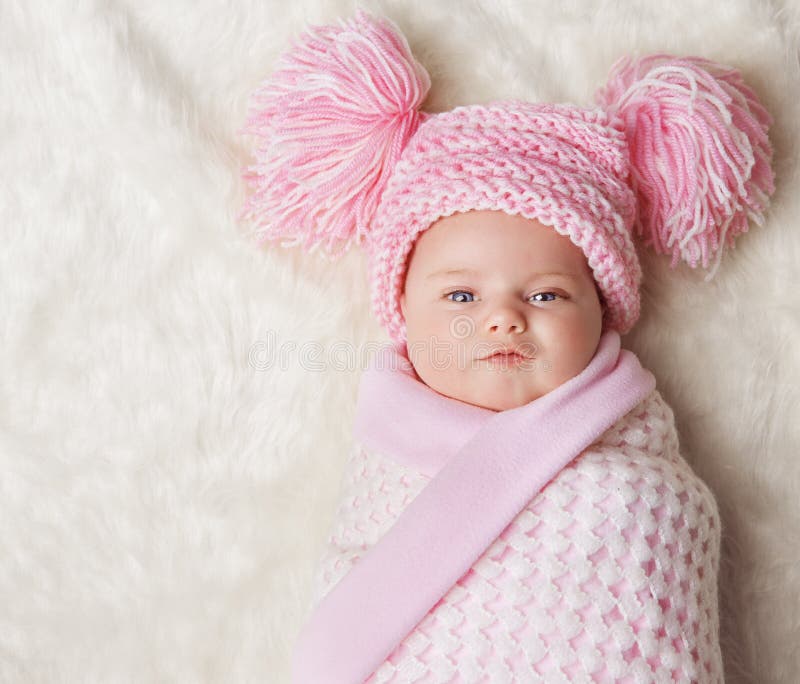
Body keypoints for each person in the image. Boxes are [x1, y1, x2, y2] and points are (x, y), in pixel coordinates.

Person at [241, 9, 775, 683]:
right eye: (461, 298)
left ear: (605, 311)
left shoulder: (637, 486)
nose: (502, 321)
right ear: (403, 314)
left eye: (546, 296)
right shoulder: (387, 453)